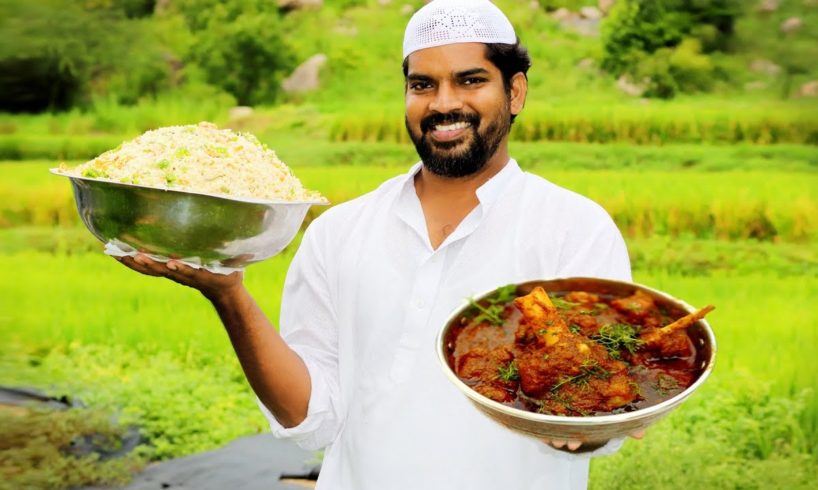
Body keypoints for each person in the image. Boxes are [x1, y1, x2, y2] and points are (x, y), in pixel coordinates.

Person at [118, 1, 642, 488]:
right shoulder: (341, 231)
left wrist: (591, 422)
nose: (444, 104)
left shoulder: (573, 229)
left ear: (516, 92)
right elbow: (310, 419)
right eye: (422, 85)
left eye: (470, 81)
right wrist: (229, 295)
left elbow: (600, 418)